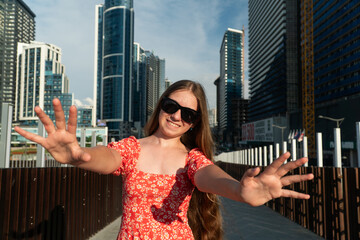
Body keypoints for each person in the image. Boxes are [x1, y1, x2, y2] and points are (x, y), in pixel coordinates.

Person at [15, 80, 314, 240]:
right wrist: (79, 157)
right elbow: (108, 157)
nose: (176, 116)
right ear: (161, 107)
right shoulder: (132, 148)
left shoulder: (191, 160)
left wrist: (239, 190)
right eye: (171, 106)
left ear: (195, 123)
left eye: (188, 114)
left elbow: (210, 176)